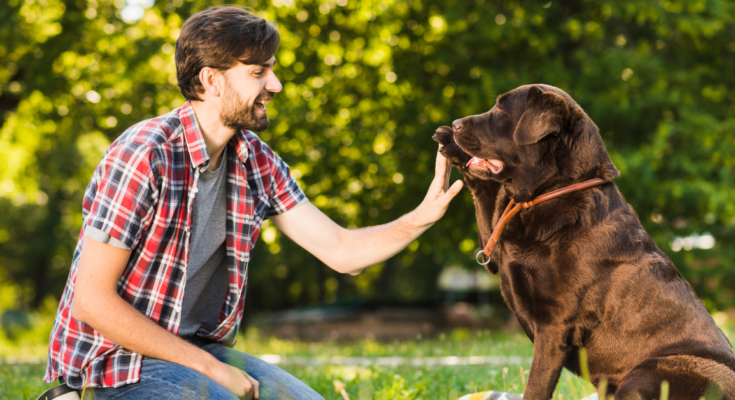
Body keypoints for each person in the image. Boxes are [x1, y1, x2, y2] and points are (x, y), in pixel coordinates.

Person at [43, 5, 463, 400]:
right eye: (259, 72)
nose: (275, 85)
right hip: (116, 361)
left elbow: (342, 251)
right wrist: (210, 368)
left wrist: (420, 218)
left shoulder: (254, 159)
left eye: (272, 71)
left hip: (195, 350)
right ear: (212, 80)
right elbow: (92, 300)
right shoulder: (145, 154)